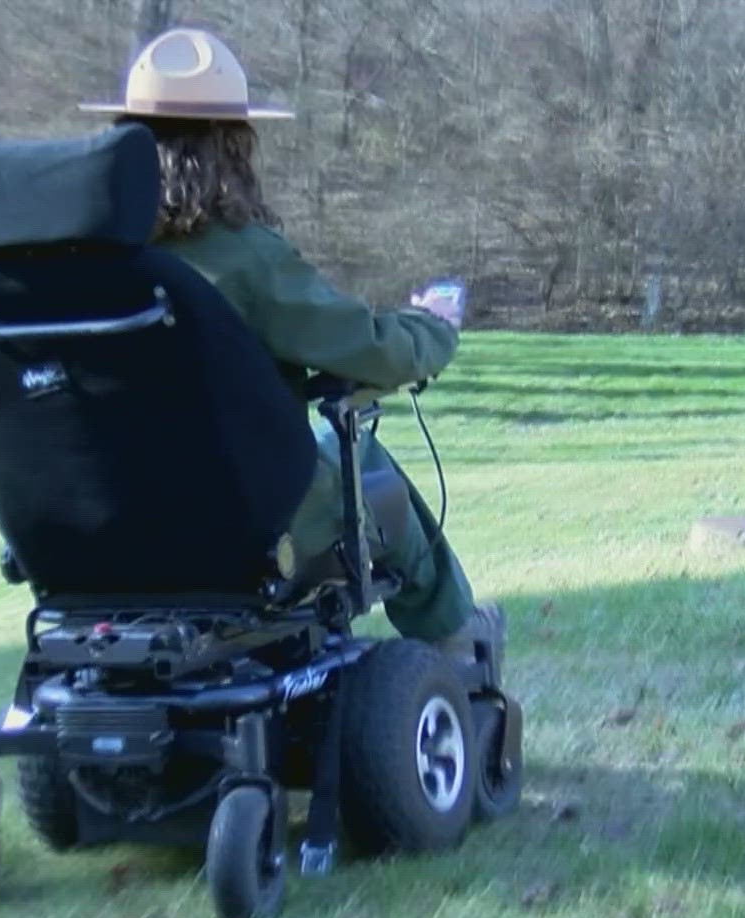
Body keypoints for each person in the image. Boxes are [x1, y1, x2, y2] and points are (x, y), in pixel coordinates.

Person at [79, 27, 504, 669]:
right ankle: (453, 639)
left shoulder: (75, 264)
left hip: (109, 526)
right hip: (242, 524)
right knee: (363, 458)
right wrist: (434, 328)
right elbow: (377, 352)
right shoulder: (245, 260)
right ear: (232, 147)